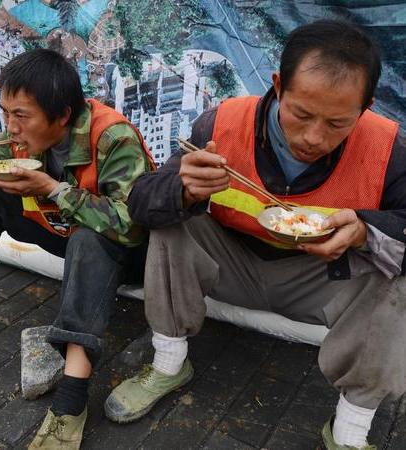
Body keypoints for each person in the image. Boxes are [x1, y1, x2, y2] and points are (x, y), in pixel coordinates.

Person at [104, 20, 406, 450]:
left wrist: (366, 232)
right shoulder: (222, 125)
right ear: (279, 86)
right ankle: (169, 364)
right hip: (232, 268)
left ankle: (351, 429)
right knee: (173, 219)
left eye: (338, 123)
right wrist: (182, 188)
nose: (313, 138)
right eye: (301, 114)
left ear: (366, 106)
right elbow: (139, 204)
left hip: (320, 282)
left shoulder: (390, 151)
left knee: (397, 277)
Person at [0, 49, 154, 449]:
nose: (10, 127)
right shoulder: (23, 134)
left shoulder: (113, 137)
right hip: (66, 236)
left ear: (62, 114)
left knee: (89, 234)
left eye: (20, 116)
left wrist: (53, 189)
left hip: (129, 255)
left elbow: (132, 227)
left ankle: (71, 401)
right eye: (6, 112)